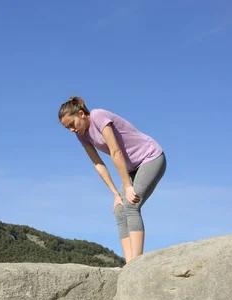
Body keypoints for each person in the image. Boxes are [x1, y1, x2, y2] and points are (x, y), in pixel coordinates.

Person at [58, 95, 166, 264]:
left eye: (72, 124)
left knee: (131, 204)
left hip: (150, 158)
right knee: (119, 209)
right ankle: (129, 262)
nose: (72, 130)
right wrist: (116, 193)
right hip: (131, 169)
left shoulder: (98, 116)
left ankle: (136, 264)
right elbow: (97, 163)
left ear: (81, 114)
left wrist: (127, 186)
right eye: (67, 128)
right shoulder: (81, 135)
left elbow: (116, 152)